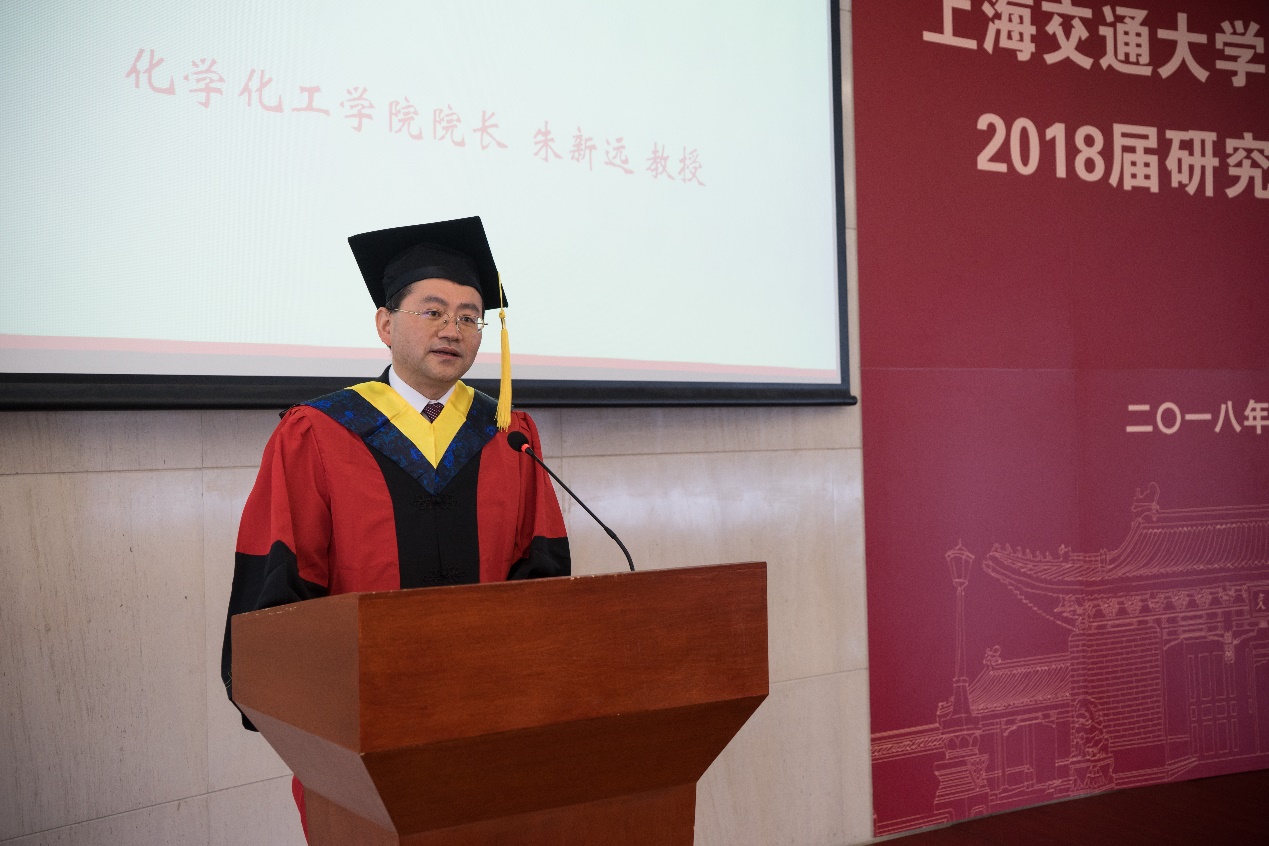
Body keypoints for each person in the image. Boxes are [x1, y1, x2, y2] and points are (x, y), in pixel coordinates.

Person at [219, 216, 570, 836]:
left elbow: (540, 576)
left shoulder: (508, 435)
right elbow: (278, 588)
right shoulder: (317, 433)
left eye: (470, 317)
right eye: (432, 311)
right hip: (360, 732)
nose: (452, 329)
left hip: (487, 727)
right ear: (385, 325)